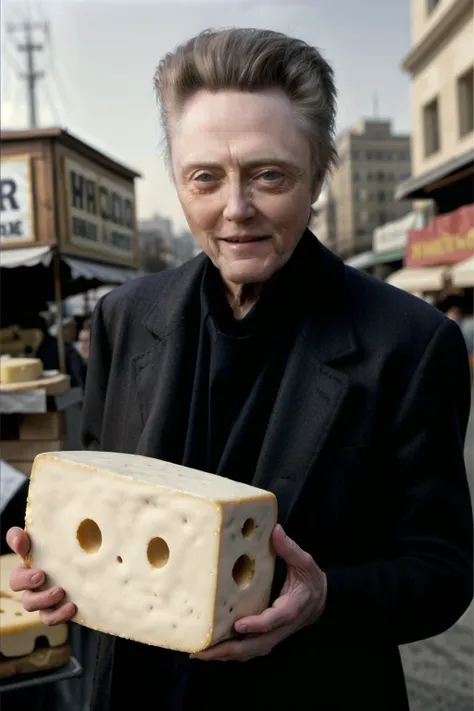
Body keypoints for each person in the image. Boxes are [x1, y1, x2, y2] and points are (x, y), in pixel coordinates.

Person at [7, 28, 473, 711]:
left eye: (269, 174)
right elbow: (93, 498)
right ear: (178, 178)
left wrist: (323, 598)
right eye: (206, 177)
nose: (235, 208)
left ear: (317, 173)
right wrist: (45, 558)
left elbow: (442, 571)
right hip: (135, 691)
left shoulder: (409, 341)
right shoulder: (123, 317)